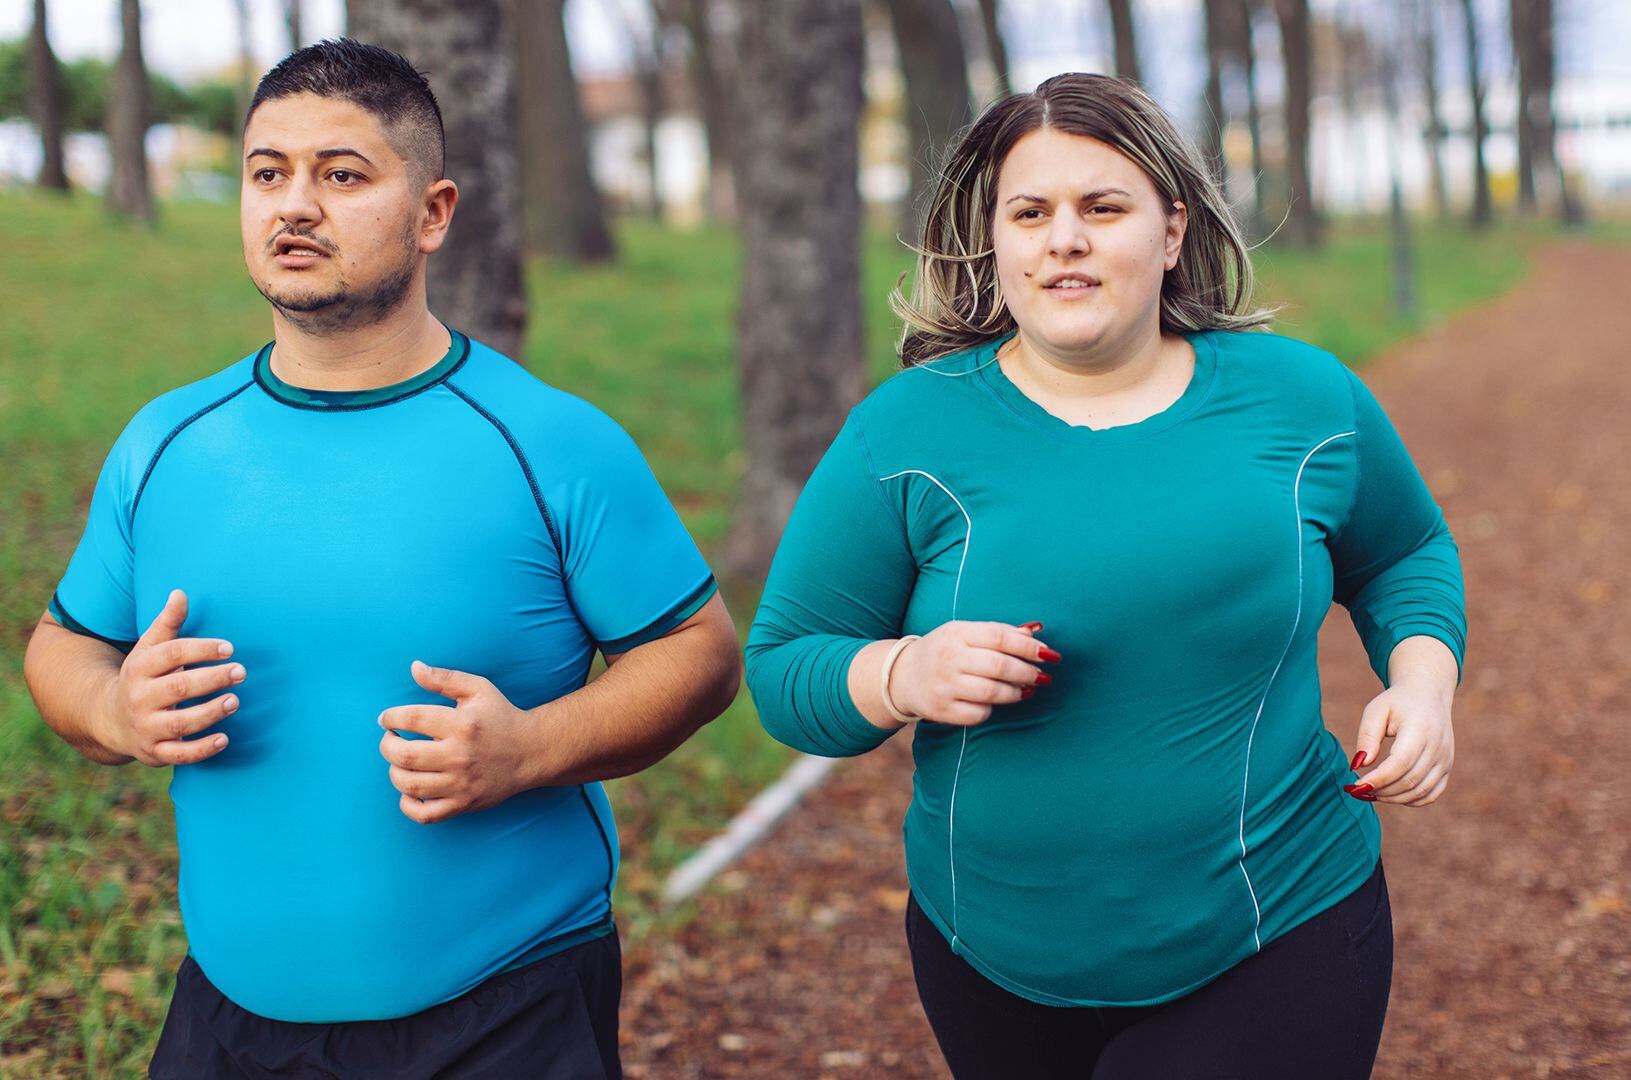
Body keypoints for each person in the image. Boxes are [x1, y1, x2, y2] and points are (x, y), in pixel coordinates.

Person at [19, 40, 740, 1079]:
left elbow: (699, 656)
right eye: (268, 172)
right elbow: (62, 648)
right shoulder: (167, 442)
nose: (294, 205)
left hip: (504, 1011)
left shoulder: (548, 442)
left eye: (342, 174)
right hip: (228, 1017)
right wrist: (110, 711)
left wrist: (530, 751)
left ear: (433, 213)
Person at [746, 73, 1465, 1079]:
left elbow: (1404, 553)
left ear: (1172, 231)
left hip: (1277, 926)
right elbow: (784, 669)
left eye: (1103, 207)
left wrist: (1423, 683)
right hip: (986, 954)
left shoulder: (1302, 402)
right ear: (996, 240)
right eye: (1030, 212)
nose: (1063, 239)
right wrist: (899, 675)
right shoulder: (905, 432)